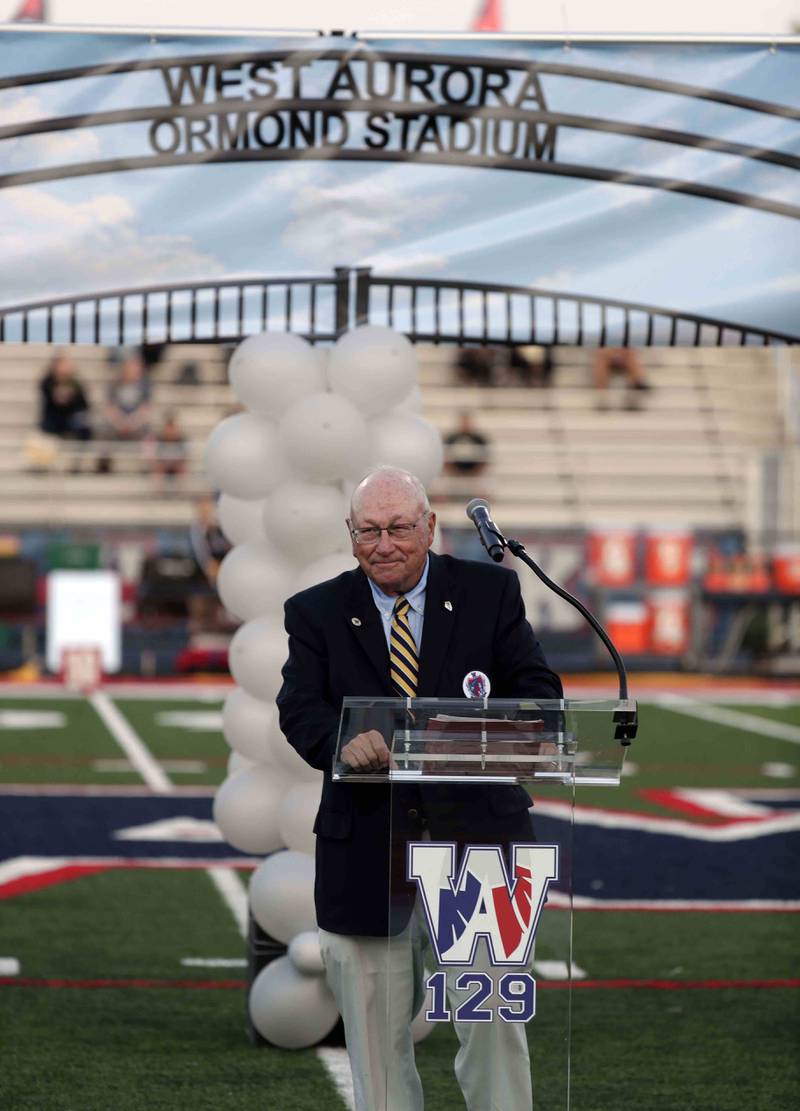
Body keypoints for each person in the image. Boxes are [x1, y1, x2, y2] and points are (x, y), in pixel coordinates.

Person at [277, 466, 562, 1111]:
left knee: (493, 1031)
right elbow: (300, 708)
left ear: (430, 527)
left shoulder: (492, 592)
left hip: (480, 854)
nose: (385, 543)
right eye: (369, 530)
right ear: (350, 536)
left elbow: (541, 694)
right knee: (376, 1049)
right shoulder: (316, 610)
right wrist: (337, 743)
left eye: (400, 527)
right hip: (367, 853)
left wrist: (480, 731)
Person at [38, 352, 92, 441]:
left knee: (84, 425)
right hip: (54, 416)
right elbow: (50, 399)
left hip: (72, 416)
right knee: (47, 424)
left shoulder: (75, 383)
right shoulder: (48, 382)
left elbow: (84, 405)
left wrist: (71, 397)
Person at [443, 410, 490, 476]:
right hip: (455, 475)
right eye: (463, 422)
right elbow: (445, 458)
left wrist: (474, 473)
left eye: (466, 422)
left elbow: (485, 458)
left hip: (475, 476)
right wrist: (455, 473)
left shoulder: (479, 439)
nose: (465, 424)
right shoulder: (451, 438)